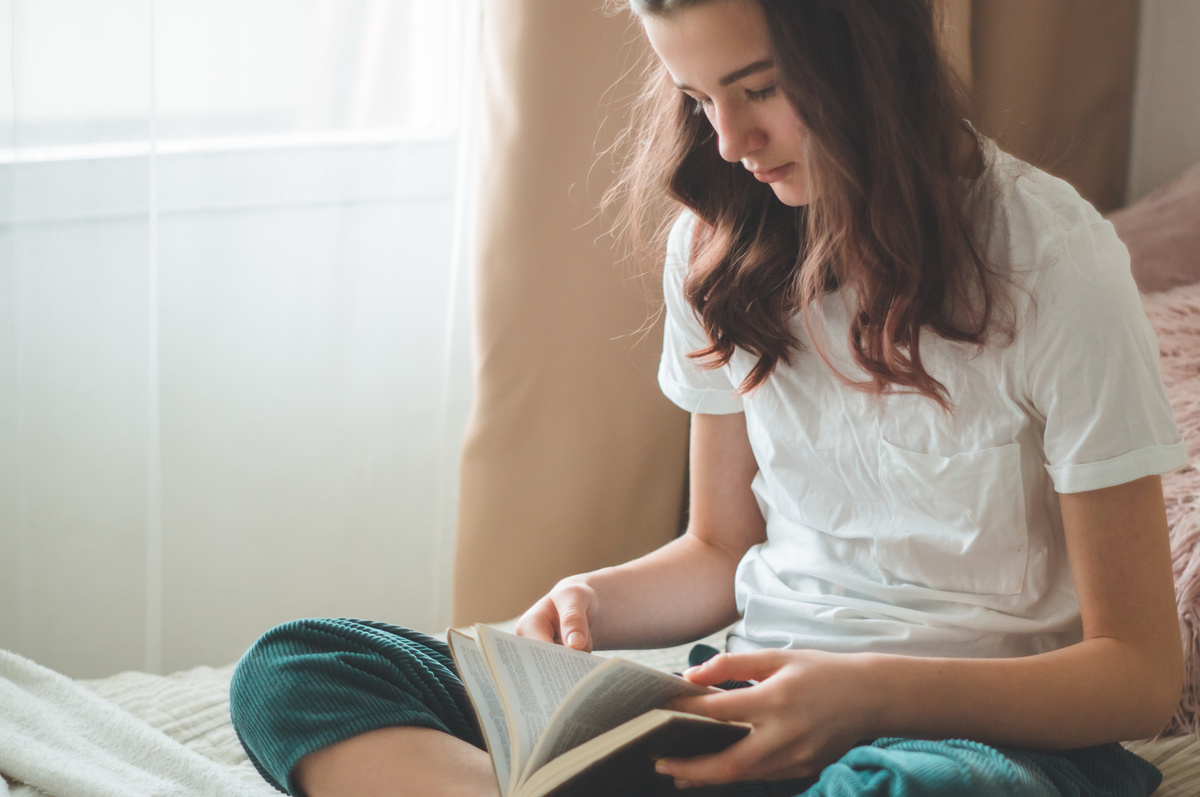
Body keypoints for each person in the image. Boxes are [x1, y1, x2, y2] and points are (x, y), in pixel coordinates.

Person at [229, 1, 1188, 795]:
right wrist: (591, 601)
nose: (729, 143)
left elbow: (1138, 674)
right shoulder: (717, 250)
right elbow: (722, 548)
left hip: (962, 738)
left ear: (875, 48)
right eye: (696, 98)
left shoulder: (1056, 264)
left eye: (759, 89)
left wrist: (866, 696)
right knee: (298, 666)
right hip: (742, 700)